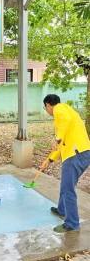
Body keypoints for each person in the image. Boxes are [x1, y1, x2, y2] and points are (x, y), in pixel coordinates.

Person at [41, 94, 90, 233]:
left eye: (46, 108)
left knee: (68, 189)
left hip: (75, 155)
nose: (48, 111)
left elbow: (60, 136)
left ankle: (72, 223)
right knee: (66, 184)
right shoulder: (65, 118)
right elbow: (60, 146)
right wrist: (48, 161)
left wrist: (57, 138)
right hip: (82, 153)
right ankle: (61, 210)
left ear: (48, 105)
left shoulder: (60, 109)